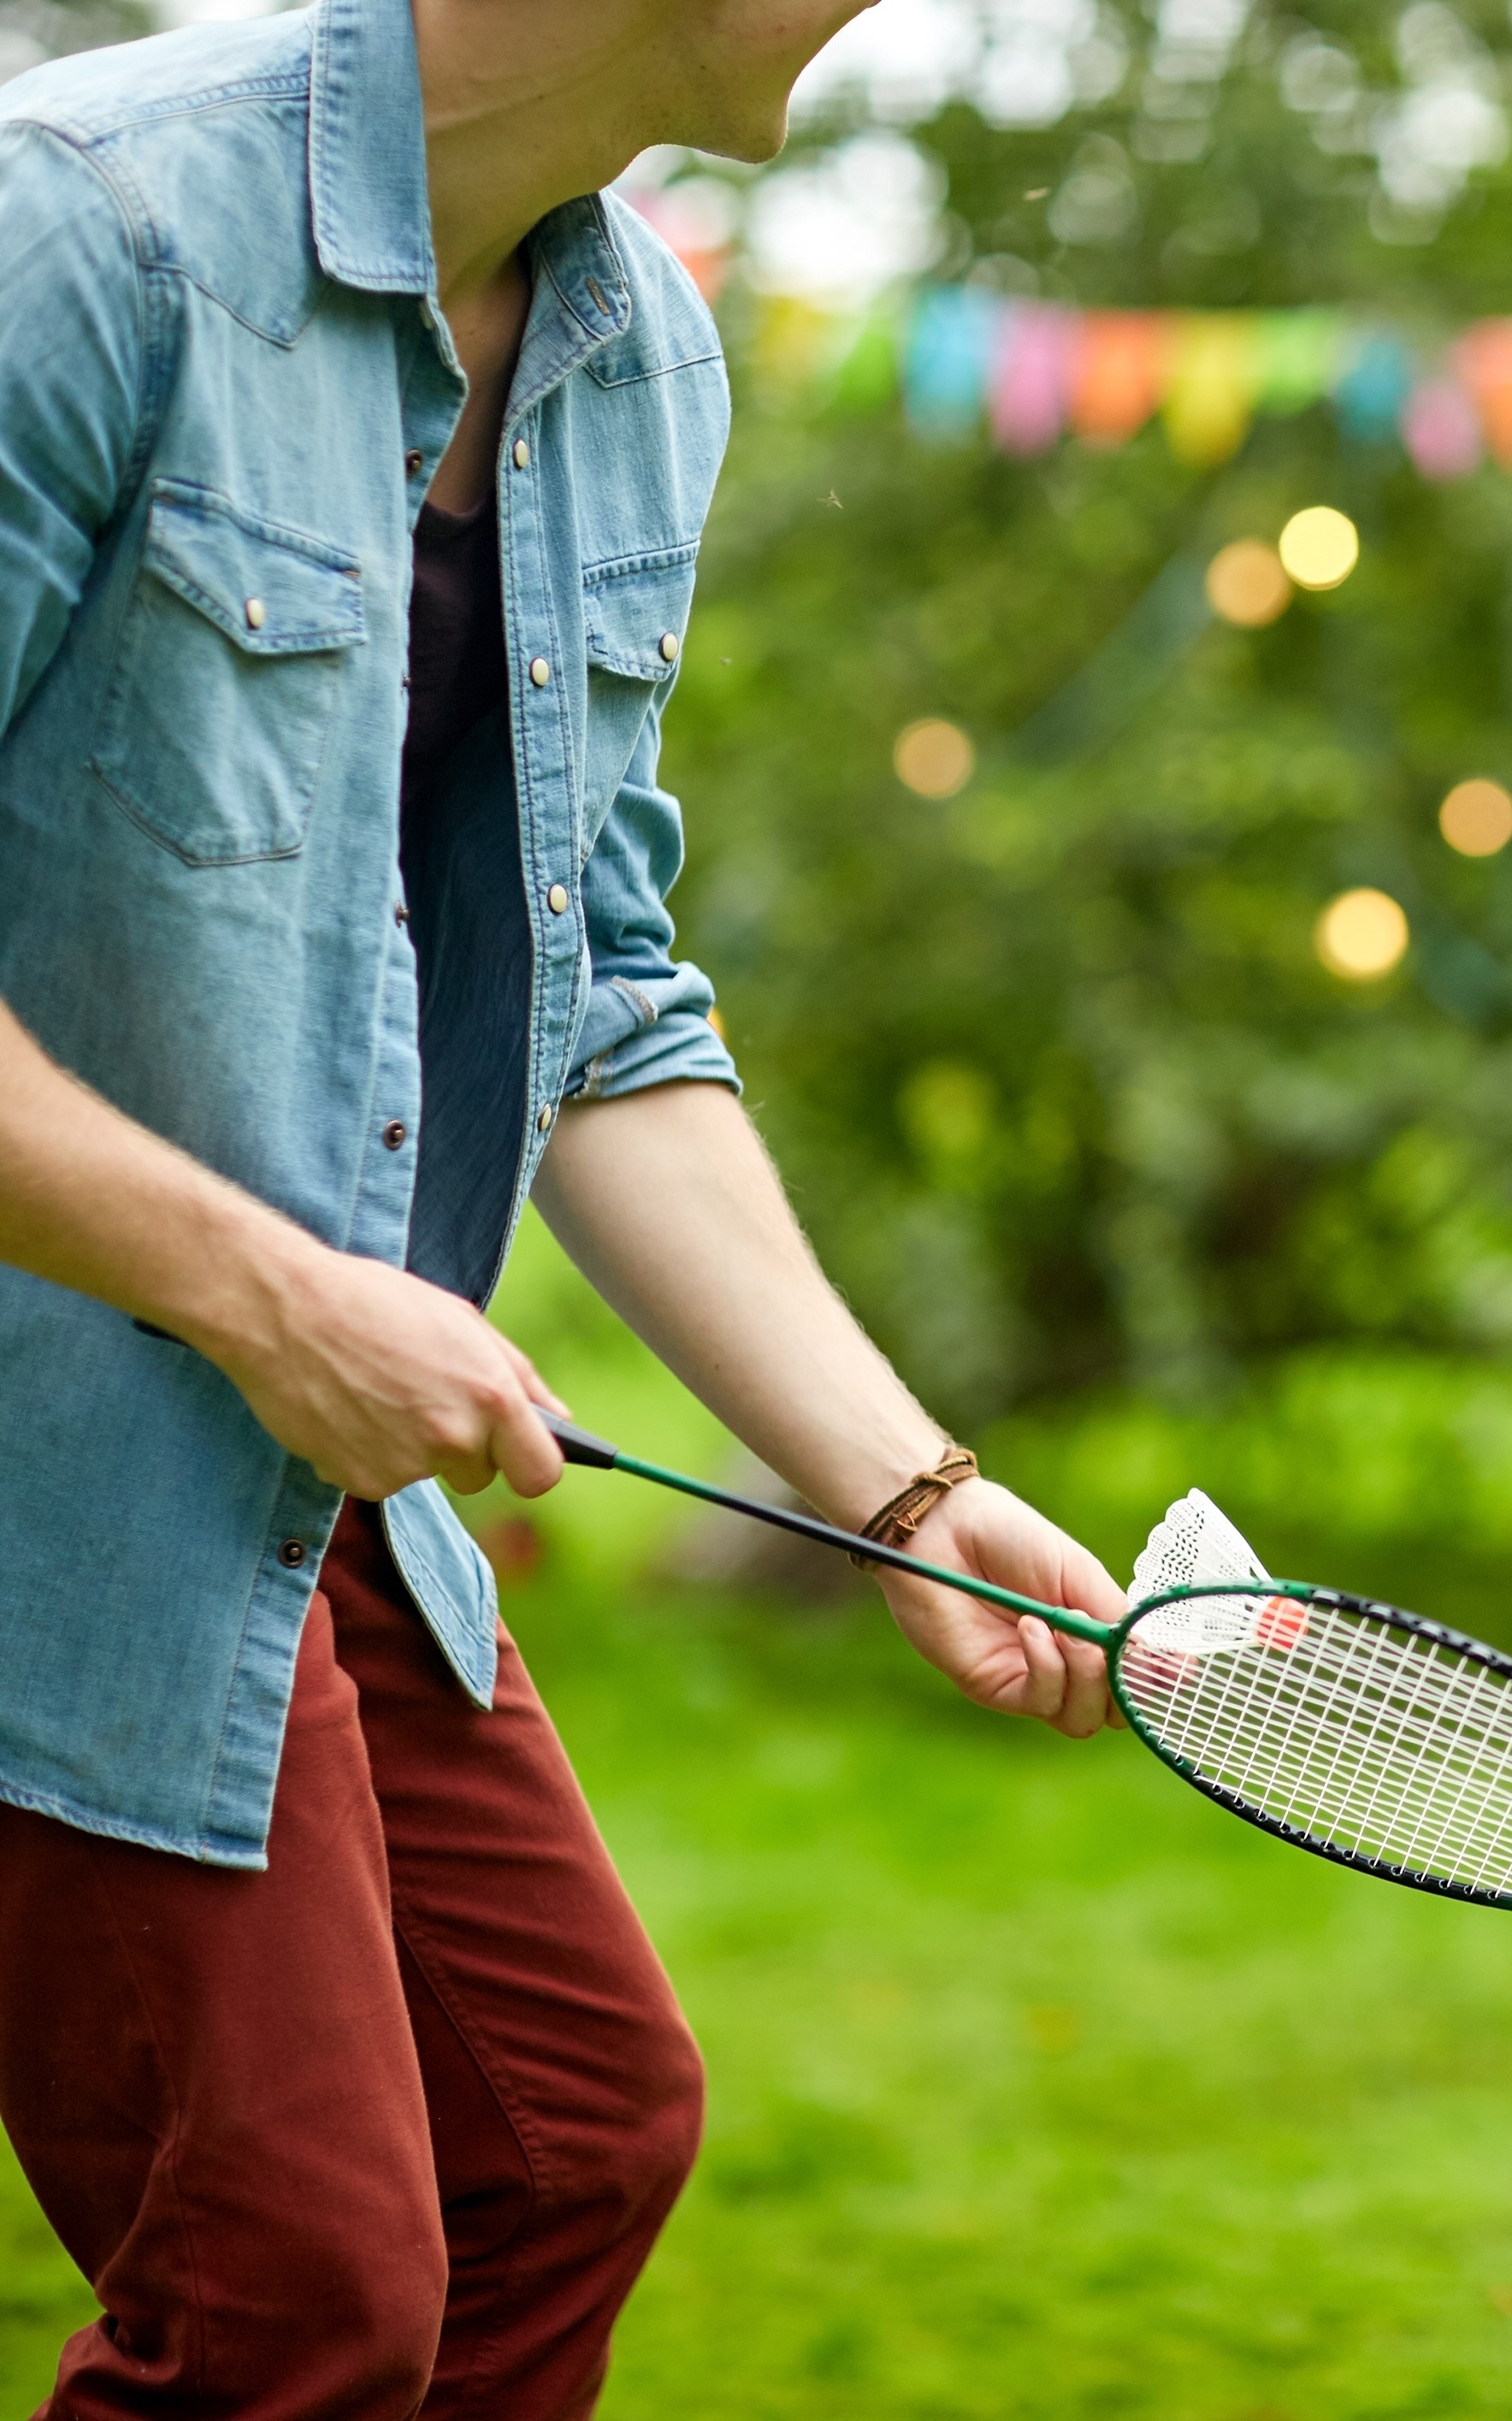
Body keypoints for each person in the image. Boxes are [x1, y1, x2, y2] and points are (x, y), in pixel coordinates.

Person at [0, 0, 1137, 2408]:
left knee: (567, 2144)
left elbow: (601, 986)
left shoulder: (642, 361)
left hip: (301, 1470)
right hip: (49, 1471)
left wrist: (902, 1484)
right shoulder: (73, 228)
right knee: (297, 2300)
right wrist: (270, 1292)